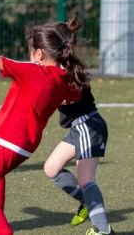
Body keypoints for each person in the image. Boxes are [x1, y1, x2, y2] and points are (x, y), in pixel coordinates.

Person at [0, 18, 89, 235]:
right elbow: (75, 96)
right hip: (23, 144)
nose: (29, 55)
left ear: (39, 54)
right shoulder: (63, 78)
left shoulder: (34, 71)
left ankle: (1, 231)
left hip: (6, 139)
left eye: (31, 51)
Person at [44, 86, 115, 234]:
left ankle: (102, 230)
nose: (34, 61)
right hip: (78, 128)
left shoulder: (69, 72)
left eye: (35, 59)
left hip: (88, 125)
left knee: (86, 180)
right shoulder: (50, 73)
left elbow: (78, 85)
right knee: (51, 168)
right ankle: (86, 201)